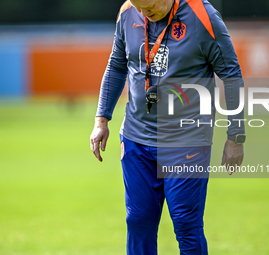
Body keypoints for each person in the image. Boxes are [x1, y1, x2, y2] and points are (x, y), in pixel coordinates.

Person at [90, 0, 245, 254]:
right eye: (137, 6)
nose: (142, 13)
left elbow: (231, 74)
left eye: (148, 6)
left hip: (187, 141)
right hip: (136, 140)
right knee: (138, 221)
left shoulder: (203, 16)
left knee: (186, 224)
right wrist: (101, 119)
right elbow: (117, 65)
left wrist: (235, 136)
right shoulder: (128, 11)